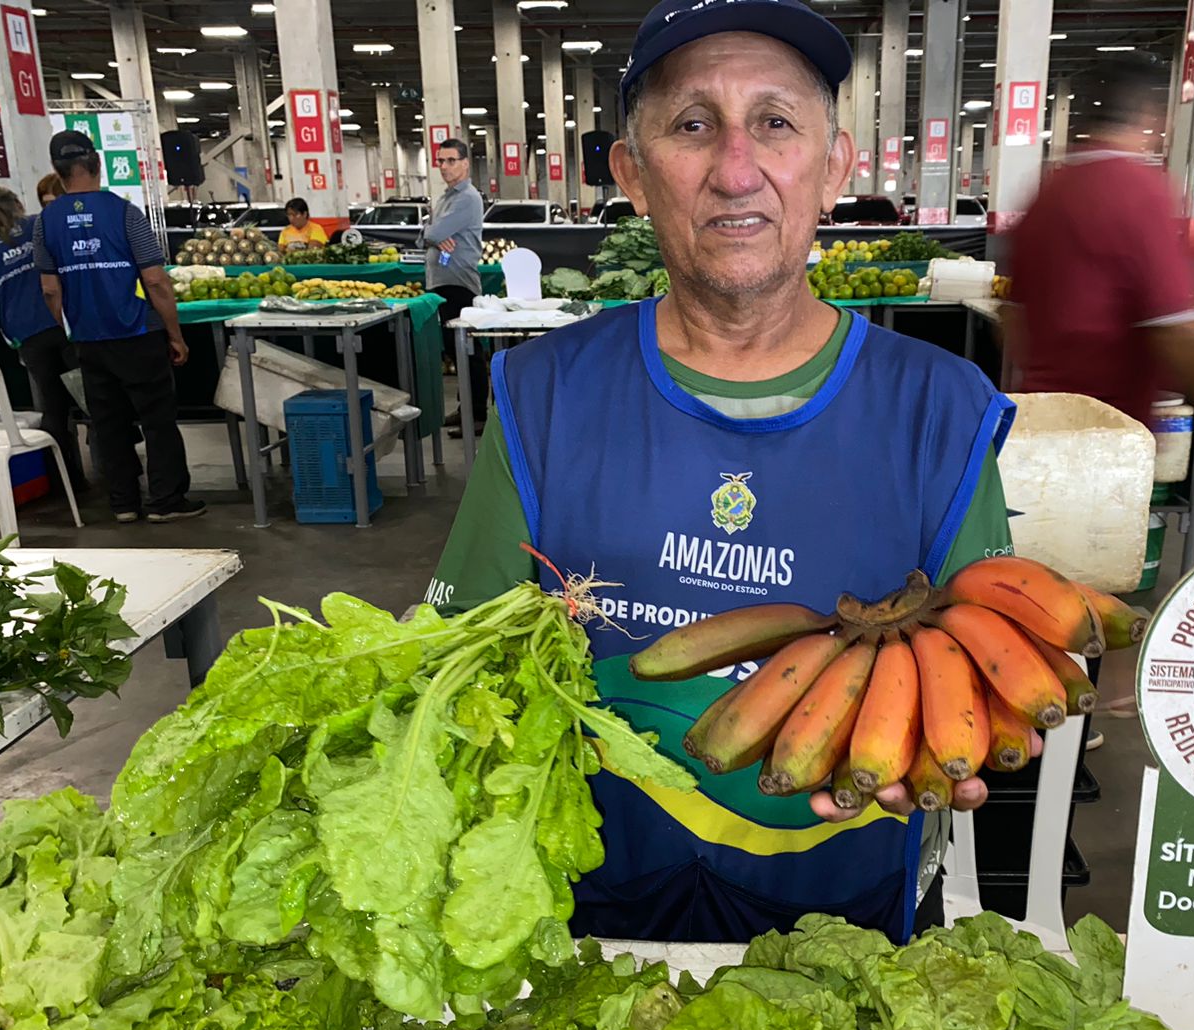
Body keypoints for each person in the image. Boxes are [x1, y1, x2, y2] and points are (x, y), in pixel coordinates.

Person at [427, 0, 1030, 945]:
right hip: (581, 925)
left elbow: (979, 670)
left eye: (776, 122)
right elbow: (459, 661)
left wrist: (945, 749)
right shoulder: (544, 393)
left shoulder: (940, 409)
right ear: (633, 174)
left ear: (834, 168)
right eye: (692, 125)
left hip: (844, 932)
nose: (737, 170)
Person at [1005, 56, 1194, 471]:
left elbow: (1012, 318)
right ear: (1149, 115)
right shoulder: (1138, 189)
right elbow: (1174, 329)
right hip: (1108, 433)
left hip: (1040, 422)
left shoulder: (1048, 191)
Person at [35, 130, 204, 523]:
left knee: (108, 423)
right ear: (97, 164)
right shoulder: (125, 213)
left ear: (58, 172)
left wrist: (70, 329)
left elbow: (49, 289)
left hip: (89, 339)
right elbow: (156, 281)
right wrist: (175, 335)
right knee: (157, 419)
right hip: (137, 332)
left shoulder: (45, 223)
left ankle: (124, 503)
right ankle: (165, 500)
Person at [0, 185, 86, 491]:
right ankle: (120, 475)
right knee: (94, 398)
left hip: (26, 333)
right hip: (64, 323)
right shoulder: (41, 224)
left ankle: (65, 482)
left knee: (53, 408)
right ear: (18, 202)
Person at [419, 137, 487, 434]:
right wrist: (431, 235)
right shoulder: (446, 197)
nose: (444, 167)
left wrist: (431, 235)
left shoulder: (467, 198)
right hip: (443, 282)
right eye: (441, 161)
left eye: (451, 160)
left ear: (465, 163)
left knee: (467, 349)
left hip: (458, 282)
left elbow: (435, 232)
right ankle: (465, 408)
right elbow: (431, 233)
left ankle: (477, 414)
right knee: (454, 349)